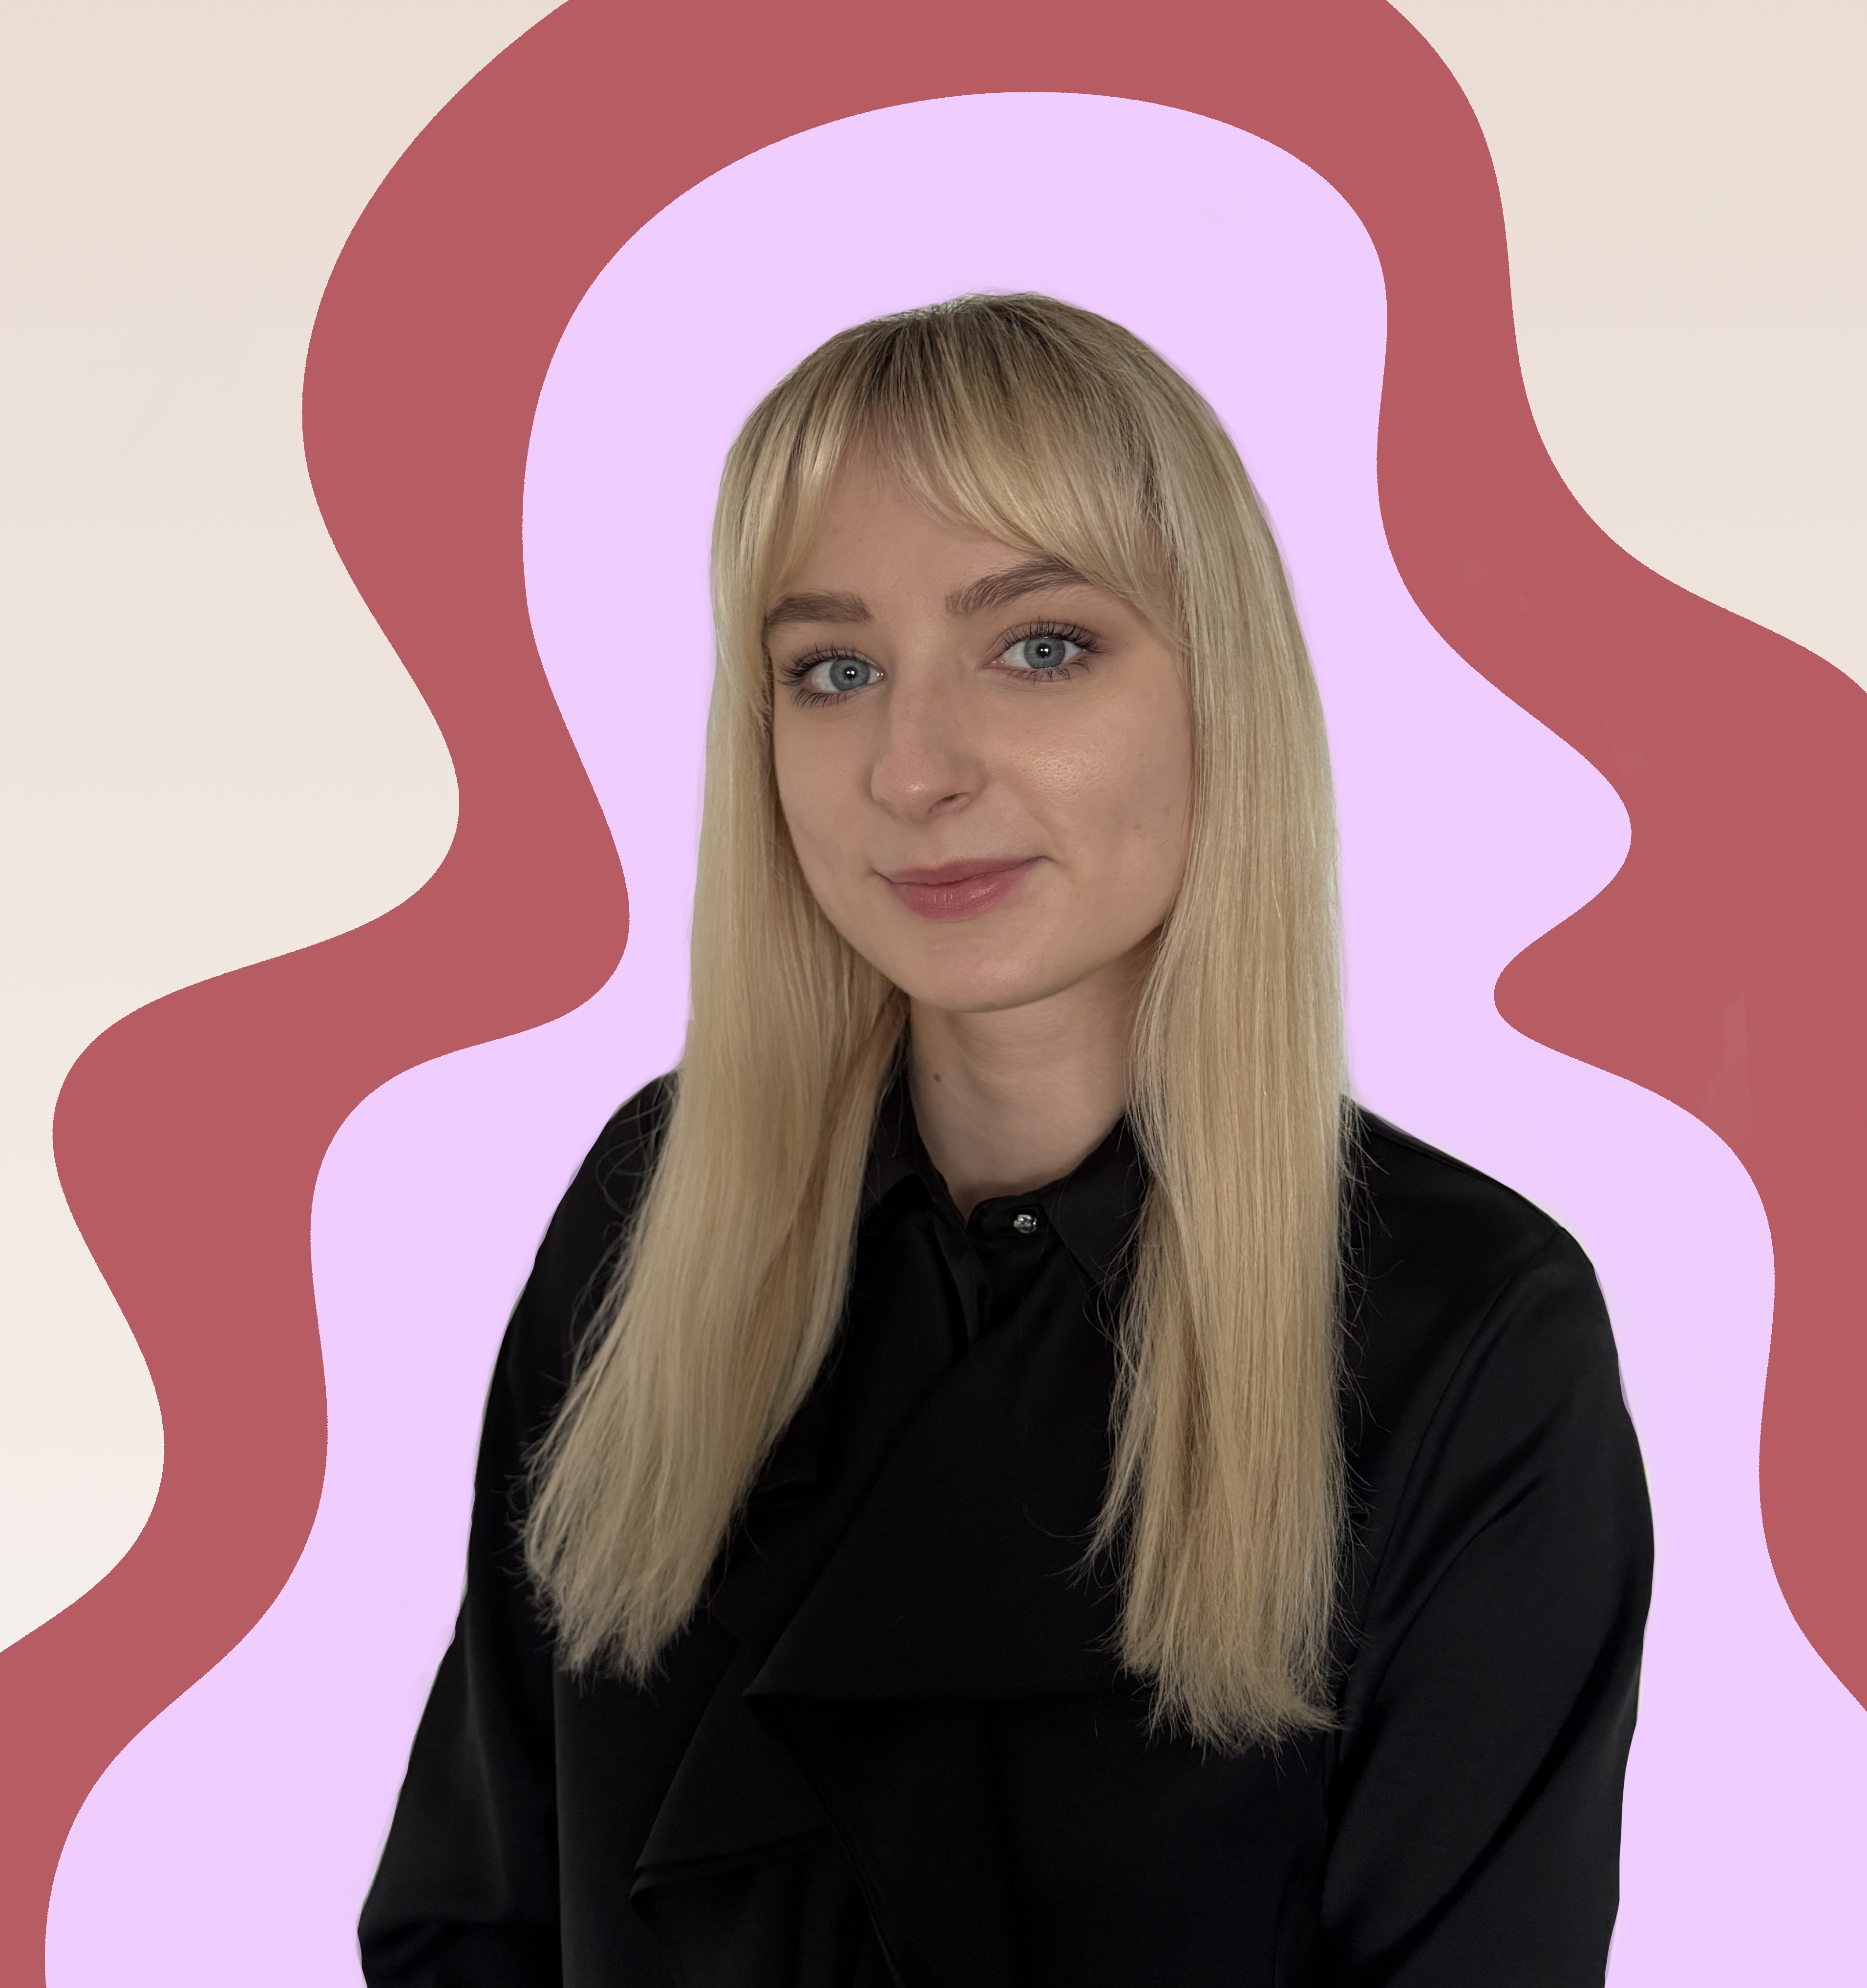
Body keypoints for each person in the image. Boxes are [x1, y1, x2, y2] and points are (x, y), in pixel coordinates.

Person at [359, 294, 1652, 1988]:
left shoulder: (1461, 1327)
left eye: (1039, 647)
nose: (913, 770)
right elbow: (467, 1924)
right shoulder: (650, 1216)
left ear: (1220, 692)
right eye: (834, 671)